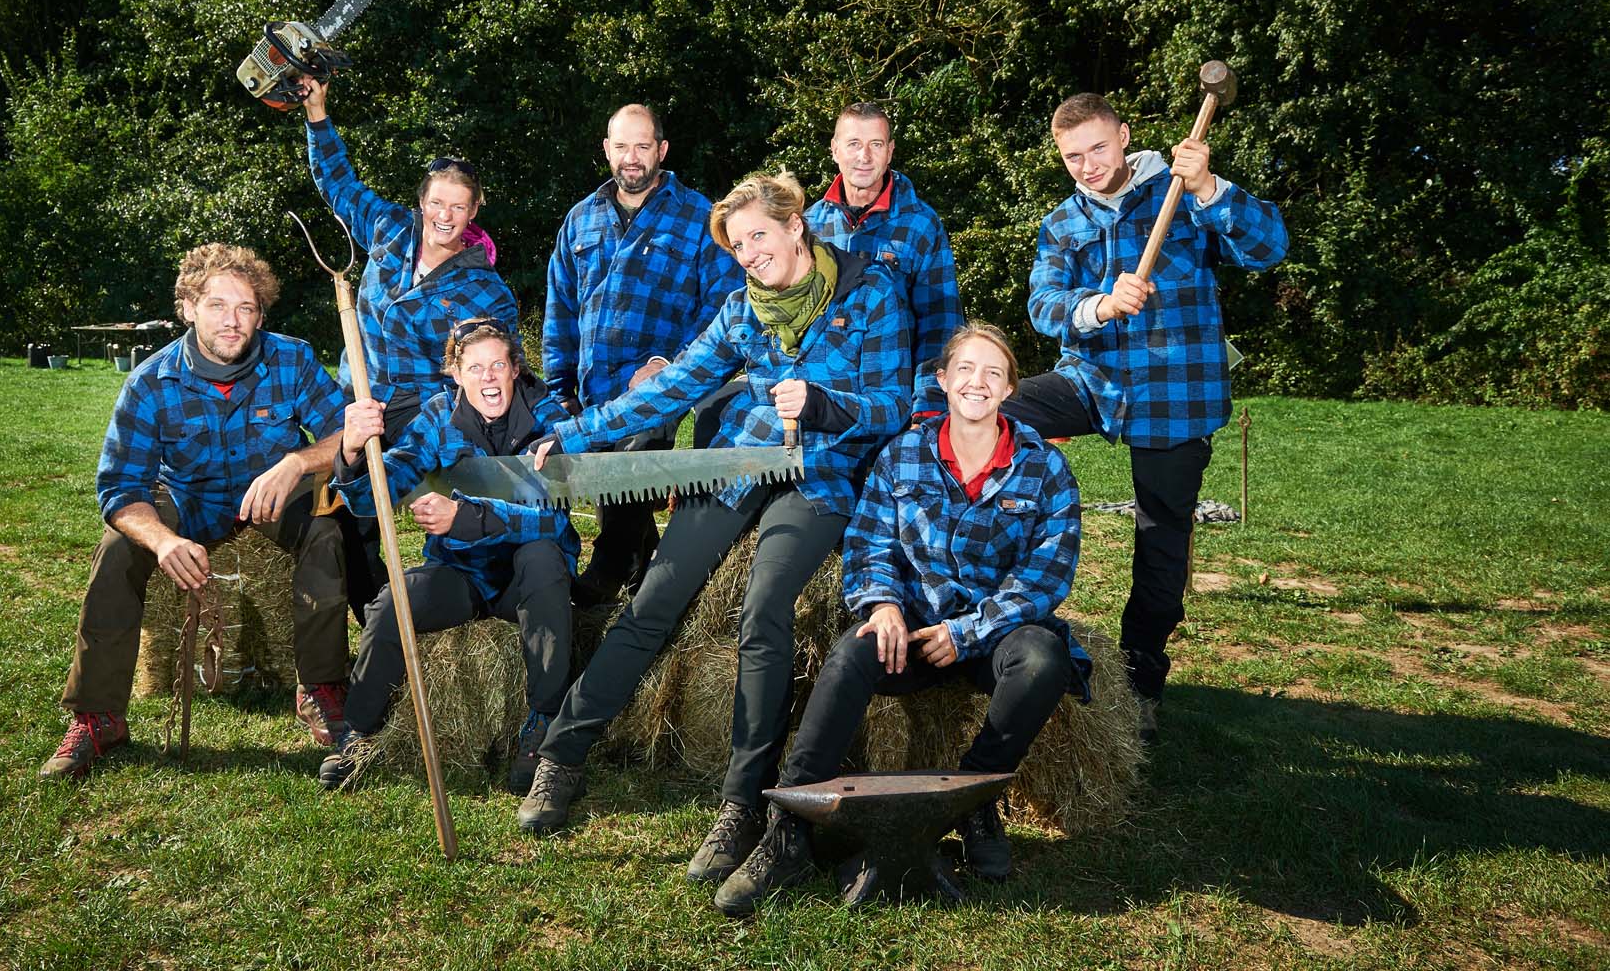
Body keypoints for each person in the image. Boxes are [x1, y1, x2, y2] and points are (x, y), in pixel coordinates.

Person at [515, 172, 911, 889]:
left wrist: (825, 404)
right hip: (735, 467)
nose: (749, 253)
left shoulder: (870, 293)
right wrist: (572, 436)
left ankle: (739, 806)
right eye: (737, 245)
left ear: (796, 226)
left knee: (764, 613)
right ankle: (560, 757)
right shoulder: (739, 311)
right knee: (652, 604)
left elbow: (893, 404)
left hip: (817, 478)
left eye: (759, 235)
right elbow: (673, 387)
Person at [713, 323, 1090, 914]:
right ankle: (789, 829)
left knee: (1045, 660)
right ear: (942, 381)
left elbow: (1047, 576)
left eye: (994, 373)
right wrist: (883, 604)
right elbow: (869, 546)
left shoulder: (1045, 469)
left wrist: (966, 632)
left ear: (1010, 389)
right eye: (965, 369)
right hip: (911, 629)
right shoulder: (903, 453)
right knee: (847, 657)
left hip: (995, 635)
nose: (977, 382)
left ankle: (972, 800)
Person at [1013, 92, 1287, 740]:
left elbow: (1267, 247)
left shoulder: (1182, 191)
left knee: (1160, 546)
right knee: (986, 414)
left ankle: (1139, 682)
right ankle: (993, 590)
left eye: (1097, 149)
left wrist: (1212, 187)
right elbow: (1043, 304)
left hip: (1176, 393)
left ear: (1124, 137)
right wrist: (1099, 304)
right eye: (1071, 156)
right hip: (1091, 380)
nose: (1085, 165)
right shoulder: (1062, 223)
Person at [40, 243, 350, 779]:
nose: (233, 321)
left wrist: (296, 463)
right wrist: (162, 540)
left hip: (266, 492)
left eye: (246, 308)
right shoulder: (150, 382)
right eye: (217, 305)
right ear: (188, 307)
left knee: (326, 530)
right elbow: (119, 488)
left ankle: (321, 686)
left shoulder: (292, 358)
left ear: (261, 313)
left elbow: (346, 433)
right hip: (185, 497)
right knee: (117, 550)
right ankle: (99, 718)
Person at [317, 318, 579, 794]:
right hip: (462, 574)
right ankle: (358, 733)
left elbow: (554, 521)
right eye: (474, 367)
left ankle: (543, 729)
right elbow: (374, 493)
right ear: (455, 374)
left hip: (526, 578)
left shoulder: (551, 418)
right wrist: (354, 452)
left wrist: (470, 517)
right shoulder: (437, 417)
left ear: (515, 369)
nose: (488, 378)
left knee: (544, 556)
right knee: (396, 600)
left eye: (498, 364)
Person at [299, 76, 518, 607]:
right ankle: (377, 611)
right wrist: (317, 115)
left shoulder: (485, 288)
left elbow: (493, 367)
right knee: (335, 506)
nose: (445, 216)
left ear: (474, 212)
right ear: (421, 202)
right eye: (437, 203)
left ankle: (437, 602)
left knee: (411, 494)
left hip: (423, 408)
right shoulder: (389, 231)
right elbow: (338, 184)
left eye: (458, 207)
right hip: (356, 394)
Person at [543, 104, 742, 605]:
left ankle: (608, 567)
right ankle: (643, 578)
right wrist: (559, 391)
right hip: (594, 389)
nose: (632, 158)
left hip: (663, 386)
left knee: (633, 459)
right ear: (607, 150)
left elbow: (722, 304)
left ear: (662, 150)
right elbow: (561, 310)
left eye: (643, 146)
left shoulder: (699, 216)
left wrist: (668, 365)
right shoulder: (580, 219)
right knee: (600, 473)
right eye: (622, 146)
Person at [804, 101, 961, 378]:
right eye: (853, 143)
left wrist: (926, 403)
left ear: (889, 152)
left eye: (875, 144)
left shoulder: (921, 224)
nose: (864, 156)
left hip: (895, 389)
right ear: (834, 149)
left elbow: (941, 323)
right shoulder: (810, 226)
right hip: (822, 389)